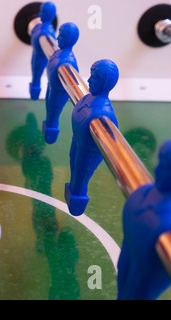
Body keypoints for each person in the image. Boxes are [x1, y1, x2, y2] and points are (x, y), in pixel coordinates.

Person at [117, 139, 171, 300]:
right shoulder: (146, 194)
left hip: (147, 267)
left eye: (165, 168)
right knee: (123, 286)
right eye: (160, 163)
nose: (156, 169)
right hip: (133, 248)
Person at [65, 59, 119, 216]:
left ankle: (77, 203)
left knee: (80, 176)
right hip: (78, 140)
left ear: (104, 82)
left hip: (88, 151)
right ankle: (73, 194)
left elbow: (112, 139)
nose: (88, 80)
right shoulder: (87, 98)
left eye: (94, 77)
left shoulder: (104, 113)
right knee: (74, 167)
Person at [43, 22, 79, 144]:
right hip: (51, 86)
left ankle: (51, 133)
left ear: (69, 40)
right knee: (49, 107)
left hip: (58, 92)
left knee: (53, 111)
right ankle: (48, 126)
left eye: (61, 36)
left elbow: (74, 78)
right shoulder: (58, 53)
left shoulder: (68, 61)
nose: (57, 38)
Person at [29, 1, 56, 100]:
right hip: (35, 55)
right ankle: (33, 92)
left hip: (40, 58)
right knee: (34, 74)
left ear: (49, 14)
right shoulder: (40, 27)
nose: (40, 14)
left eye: (43, 12)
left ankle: (34, 95)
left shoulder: (47, 33)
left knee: (36, 77)